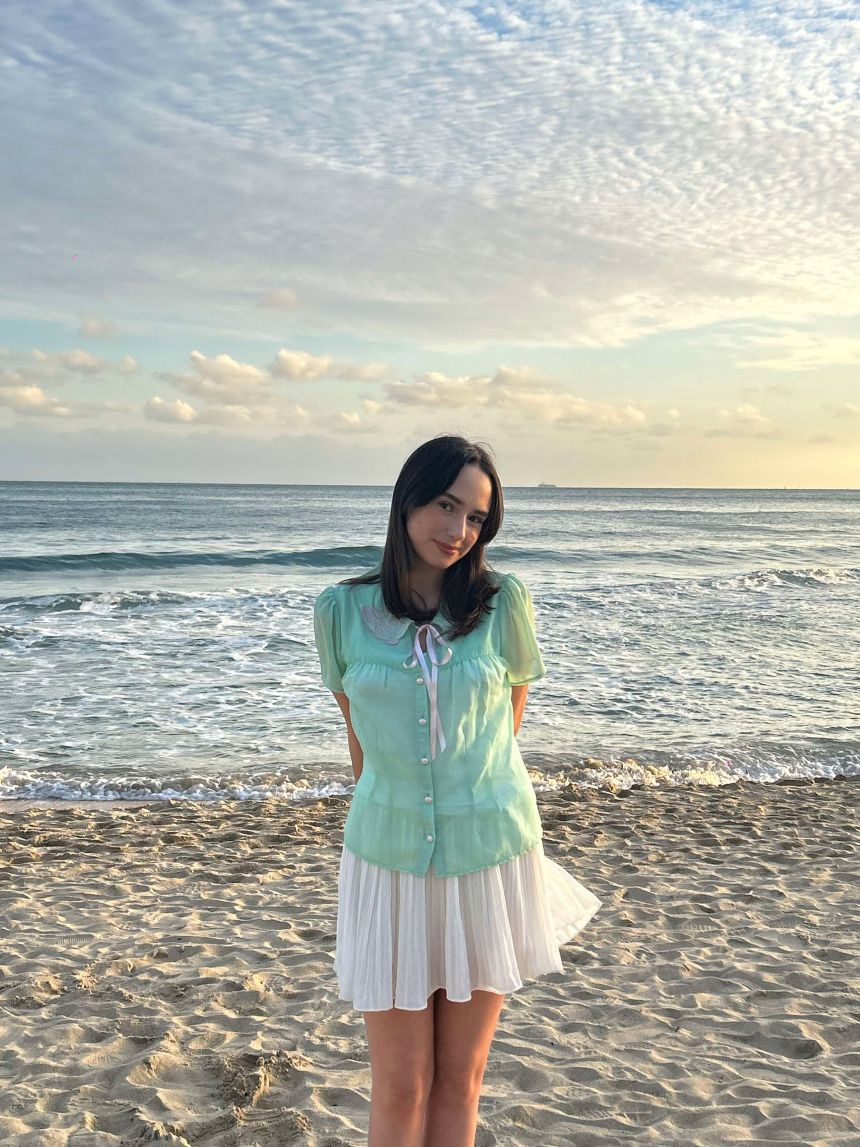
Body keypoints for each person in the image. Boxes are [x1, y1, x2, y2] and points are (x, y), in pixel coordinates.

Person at [312, 434, 602, 1147]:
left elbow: (505, 728)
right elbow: (360, 744)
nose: (458, 530)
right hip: (388, 862)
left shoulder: (504, 603)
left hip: (489, 854)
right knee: (400, 1084)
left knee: (460, 1078)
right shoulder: (340, 612)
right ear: (408, 499)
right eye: (446, 505)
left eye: (475, 517)